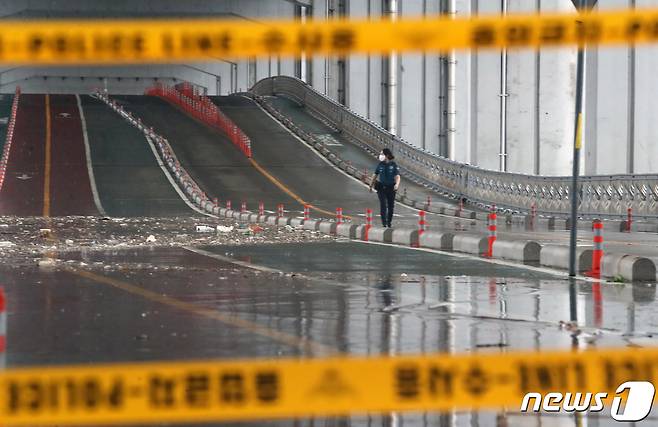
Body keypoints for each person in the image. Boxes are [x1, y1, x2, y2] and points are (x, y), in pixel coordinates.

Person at [369, 148, 400, 227]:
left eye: (382, 154)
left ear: (387, 155)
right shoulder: (380, 164)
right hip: (381, 187)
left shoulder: (393, 165)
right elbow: (375, 175)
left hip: (391, 188)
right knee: (383, 204)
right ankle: (384, 223)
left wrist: (397, 184)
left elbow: (397, 176)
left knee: (390, 206)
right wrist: (371, 185)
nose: (381, 156)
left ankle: (389, 222)